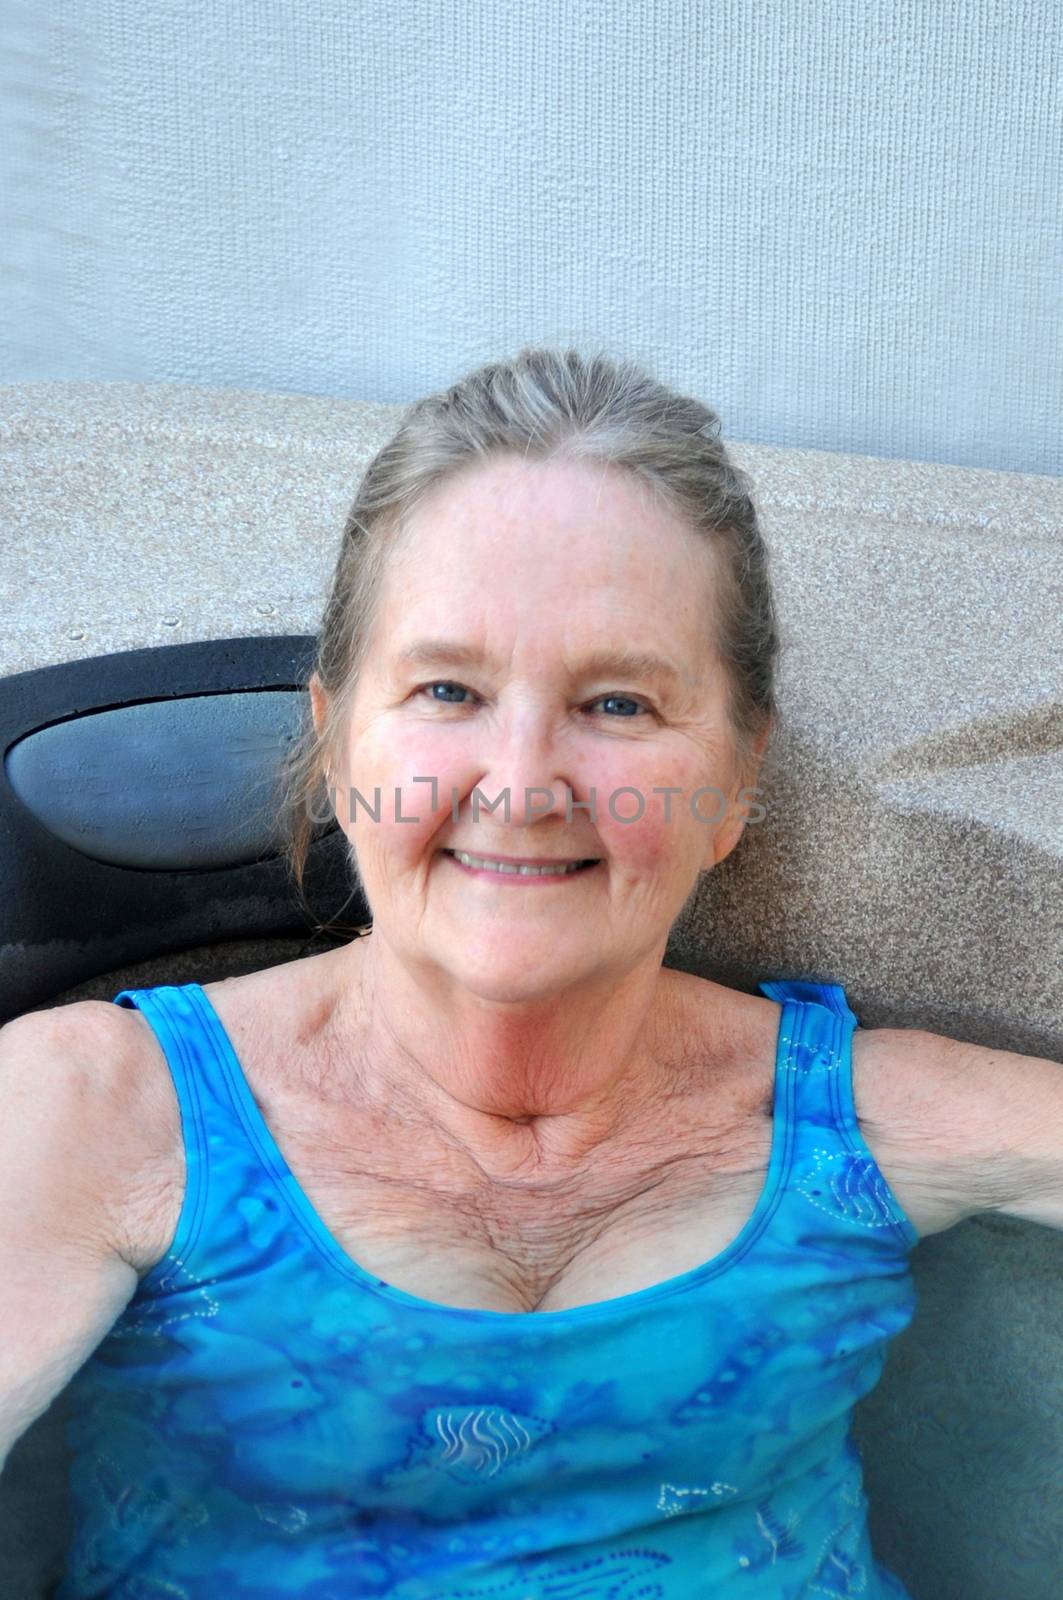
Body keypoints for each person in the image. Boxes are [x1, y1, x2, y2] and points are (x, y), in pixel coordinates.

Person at [2, 347, 1060, 1599]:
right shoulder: (102, 1112)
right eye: (448, 687)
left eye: (618, 704)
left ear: (736, 779)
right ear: (338, 743)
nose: (520, 783)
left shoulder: (854, 1116)